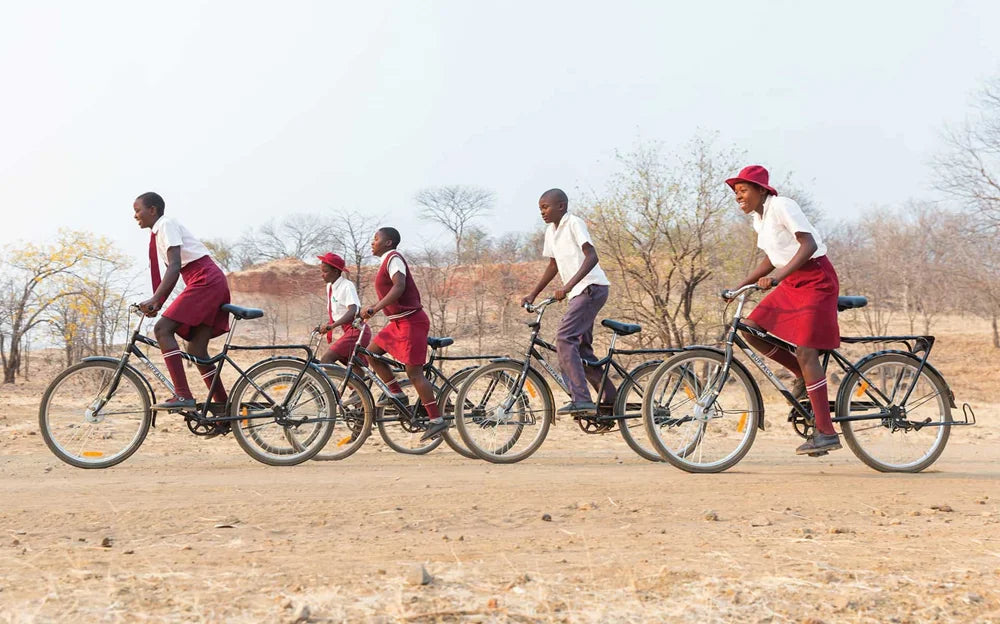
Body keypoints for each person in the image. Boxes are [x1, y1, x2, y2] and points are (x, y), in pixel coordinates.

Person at [725, 165, 841, 455]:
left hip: (816, 280)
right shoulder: (759, 219)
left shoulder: (782, 205)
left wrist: (777, 278)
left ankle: (826, 432)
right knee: (750, 329)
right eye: (735, 192)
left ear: (762, 189)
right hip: (791, 281)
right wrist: (740, 286)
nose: (738, 196)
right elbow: (771, 258)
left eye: (743, 190)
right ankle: (800, 375)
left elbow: (808, 244)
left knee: (806, 350)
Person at [133, 192, 231, 411]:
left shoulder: (166, 225)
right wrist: (157, 302)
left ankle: (183, 395)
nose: (135, 215)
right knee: (196, 349)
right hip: (206, 281)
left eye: (137, 210)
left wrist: (155, 299)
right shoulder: (159, 232)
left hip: (205, 280)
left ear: (153, 210)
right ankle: (223, 406)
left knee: (162, 329)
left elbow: (175, 266)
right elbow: (173, 270)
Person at [521, 188, 614, 414]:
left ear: (561, 206)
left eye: (546, 207)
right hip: (579, 292)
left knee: (564, 338)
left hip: (591, 288)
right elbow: (553, 265)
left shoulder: (573, 223)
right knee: (581, 351)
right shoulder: (550, 232)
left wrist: (567, 286)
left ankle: (581, 399)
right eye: (540, 208)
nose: (542, 212)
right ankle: (612, 399)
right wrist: (533, 293)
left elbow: (592, 256)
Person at [359, 227, 444, 440]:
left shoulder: (394, 258)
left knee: (414, 372)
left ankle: (436, 420)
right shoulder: (385, 261)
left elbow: (399, 286)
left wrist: (375, 308)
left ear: (388, 243)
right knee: (370, 353)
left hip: (411, 322)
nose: (372, 242)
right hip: (397, 322)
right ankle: (396, 393)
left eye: (376, 239)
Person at [314, 252, 371, 365]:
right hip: (348, 331)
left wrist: (331, 326)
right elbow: (338, 313)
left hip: (357, 330)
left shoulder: (346, 286)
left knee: (326, 359)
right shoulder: (330, 286)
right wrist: (324, 326)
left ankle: (328, 382)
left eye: (325, 271)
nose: (322, 275)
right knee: (355, 369)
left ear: (336, 271)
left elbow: (353, 310)